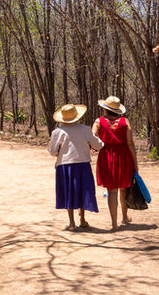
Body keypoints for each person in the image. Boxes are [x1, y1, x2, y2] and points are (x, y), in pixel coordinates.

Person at [48, 103, 104, 231]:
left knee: (69, 191)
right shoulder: (85, 129)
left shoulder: (57, 132)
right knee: (82, 190)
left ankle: (71, 222)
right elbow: (98, 145)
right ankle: (82, 219)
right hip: (82, 165)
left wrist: (58, 152)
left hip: (65, 166)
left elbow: (53, 152)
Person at [92, 96, 138, 231]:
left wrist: (97, 146)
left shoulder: (98, 121)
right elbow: (130, 143)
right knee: (124, 188)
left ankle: (114, 224)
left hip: (106, 157)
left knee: (112, 191)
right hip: (124, 157)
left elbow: (92, 138)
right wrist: (135, 162)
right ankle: (124, 217)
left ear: (105, 110)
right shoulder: (125, 122)